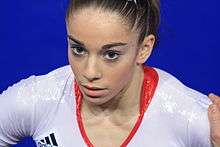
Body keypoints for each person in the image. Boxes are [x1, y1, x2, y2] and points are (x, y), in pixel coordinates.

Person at [0, 0, 219, 146]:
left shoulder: (191, 119)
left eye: (111, 54)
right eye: (78, 49)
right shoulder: (39, 99)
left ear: (144, 49)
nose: (89, 72)